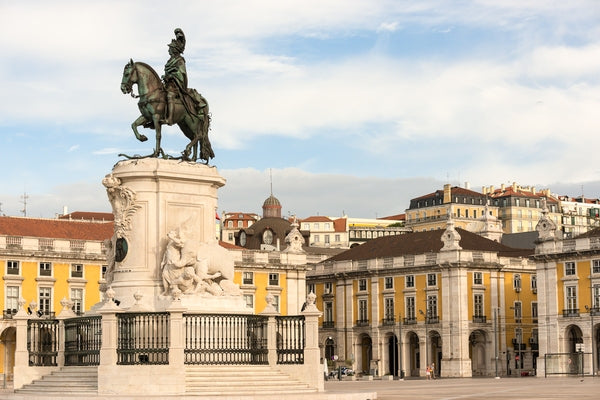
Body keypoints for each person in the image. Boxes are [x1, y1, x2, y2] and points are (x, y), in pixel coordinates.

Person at [163, 28, 187, 125]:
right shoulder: (170, 61)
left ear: (174, 49)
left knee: (170, 96)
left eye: (170, 48)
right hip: (167, 84)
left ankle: (170, 118)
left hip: (176, 86)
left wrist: (172, 76)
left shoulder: (180, 60)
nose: (169, 49)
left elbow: (182, 73)